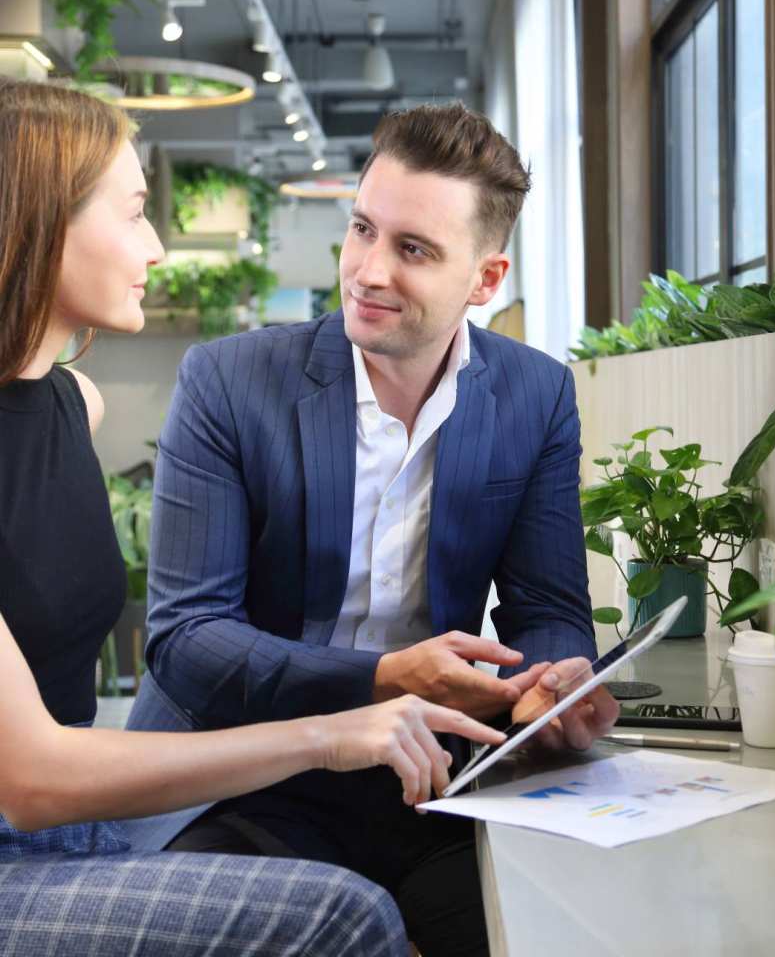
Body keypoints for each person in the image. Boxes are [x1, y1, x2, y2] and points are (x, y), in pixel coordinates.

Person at [0, 78, 508, 957]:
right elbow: (34, 779)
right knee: (339, 914)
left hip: (79, 837)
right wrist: (328, 735)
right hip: (23, 845)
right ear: (39, 222)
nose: (157, 246)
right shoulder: (223, 385)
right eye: (131, 214)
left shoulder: (72, 404)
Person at [126, 102, 620, 956]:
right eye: (363, 230)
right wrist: (386, 677)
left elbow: (548, 605)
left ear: (485, 279)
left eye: (413, 249)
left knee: (552, 928)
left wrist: (550, 683)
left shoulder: (535, 395)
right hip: (244, 771)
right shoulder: (230, 383)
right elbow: (186, 641)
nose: (368, 271)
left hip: (427, 778)